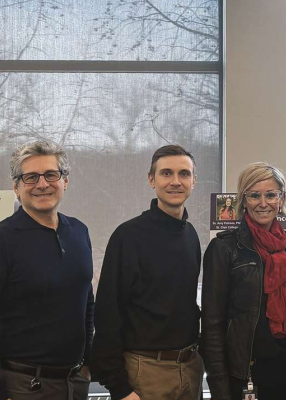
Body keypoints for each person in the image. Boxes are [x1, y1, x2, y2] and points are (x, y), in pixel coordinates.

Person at [0, 139, 94, 400]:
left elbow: (86, 300)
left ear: (65, 181)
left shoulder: (79, 232)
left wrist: (88, 362)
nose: (42, 184)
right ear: (16, 187)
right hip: (21, 386)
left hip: (74, 382)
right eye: (31, 177)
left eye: (51, 175)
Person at [90, 145, 203, 400]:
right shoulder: (128, 237)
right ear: (151, 180)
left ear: (194, 181)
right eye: (166, 173)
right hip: (145, 372)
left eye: (184, 174)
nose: (175, 181)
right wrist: (119, 386)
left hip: (190, 367)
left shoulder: (191, 235)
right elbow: (108, 313)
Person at [202, 162, 286, 399]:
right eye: (254, 195)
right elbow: (212, 326)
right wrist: (219, 388)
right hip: (244, 375)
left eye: (270, 195)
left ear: (282, 199)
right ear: (243, 200)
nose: (263, 203)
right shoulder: (224, 248)